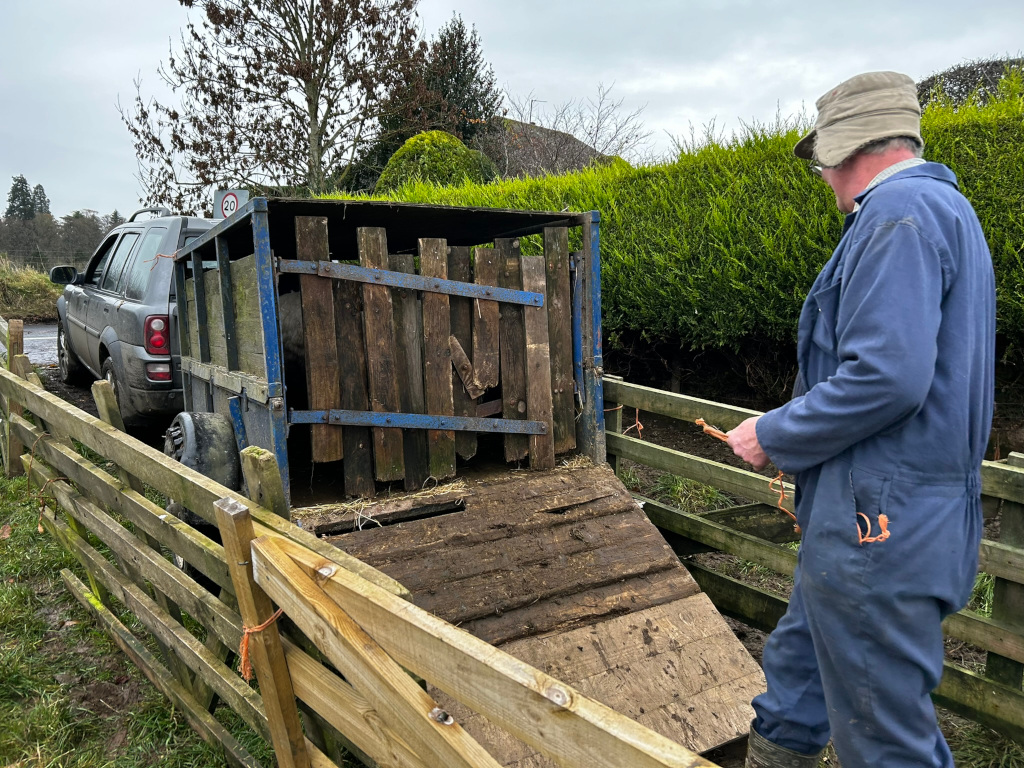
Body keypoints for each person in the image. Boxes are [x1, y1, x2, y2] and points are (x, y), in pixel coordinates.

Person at [727, 71, 995, 768]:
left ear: (848, 148)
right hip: (876, 517)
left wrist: (774, 433)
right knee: (796, 676)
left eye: (822, 158)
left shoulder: (896, 214)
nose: (821, 176)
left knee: (883, 738)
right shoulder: (943, 211)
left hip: (881, 525)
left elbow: (887, 377)